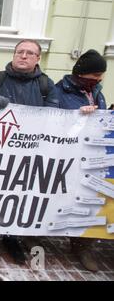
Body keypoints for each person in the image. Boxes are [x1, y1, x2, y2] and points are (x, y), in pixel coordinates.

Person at [0, 39, 59, 264]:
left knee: (17, 194)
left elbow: (54, 115)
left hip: (28, 149)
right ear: (13, 54)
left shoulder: (46, 84)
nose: (23, 56)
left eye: (29, 53)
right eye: (20, 52)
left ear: (38, 59)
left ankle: (10, 236)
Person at [55, 49, 108, 272]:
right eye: (95, 74)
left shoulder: (97, 92)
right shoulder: (59, 91)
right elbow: (52, 121)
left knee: (89, 198)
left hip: (91, 153)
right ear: (82, 73)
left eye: (101, 74)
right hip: (66, 153)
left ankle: (82, 244)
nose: (99, 79)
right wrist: (78, 116)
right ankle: (38, 236)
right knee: (59, 196)